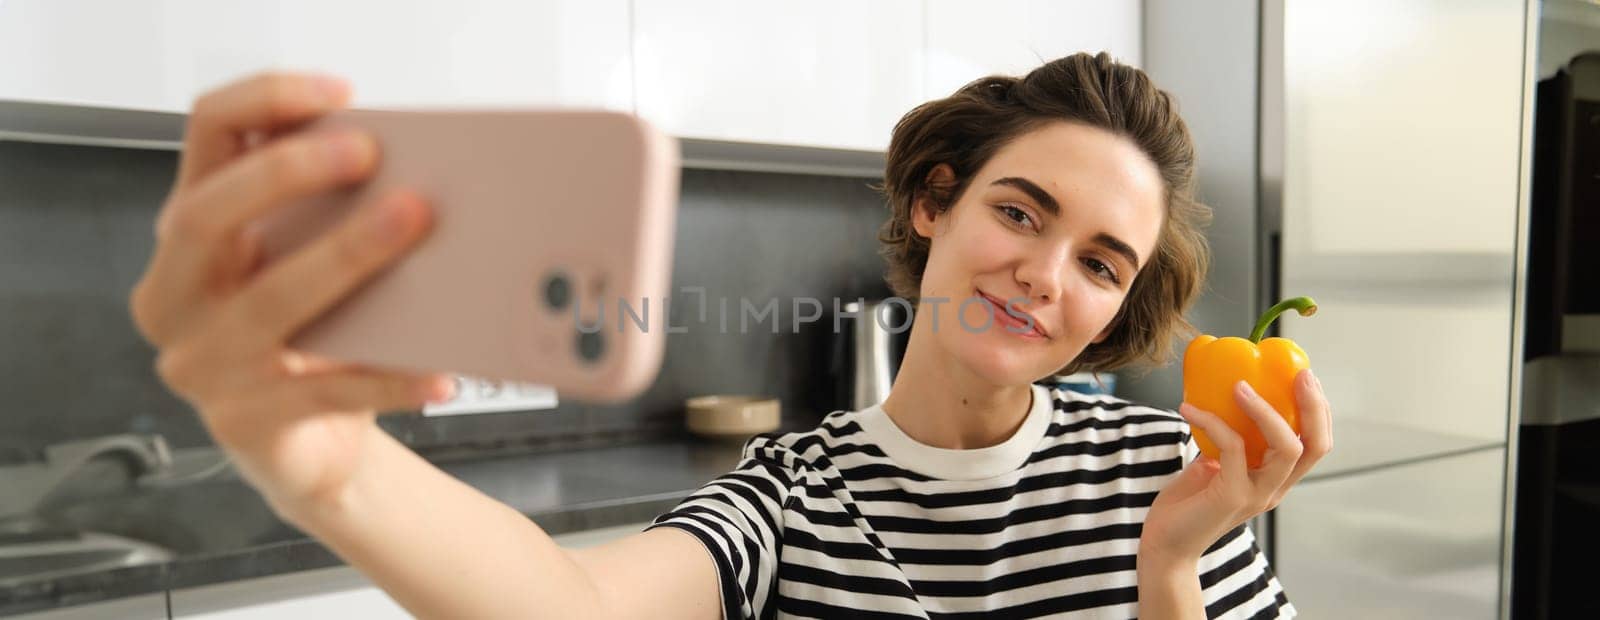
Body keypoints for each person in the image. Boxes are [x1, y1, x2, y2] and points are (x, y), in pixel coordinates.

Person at [129, 51, 1331, 618]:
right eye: (1021, 211)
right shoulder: (791, 498)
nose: (1043, 274)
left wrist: (1169, 567)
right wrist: (335, 467)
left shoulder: (1164, 478)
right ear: (933, 202)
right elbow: (572, 608)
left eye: (1099, 262)